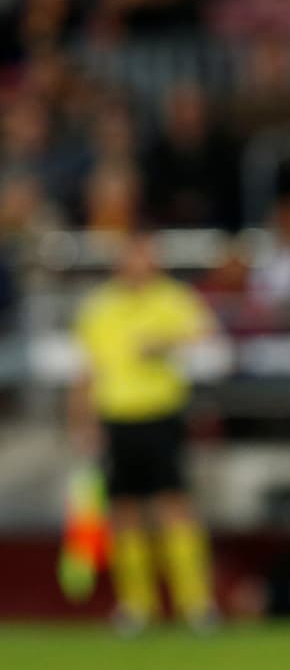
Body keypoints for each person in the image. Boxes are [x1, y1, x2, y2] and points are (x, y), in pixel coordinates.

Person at [69, 228, 219, 632]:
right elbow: (85, 369)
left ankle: (195, 604)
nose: (139, 264)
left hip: (161, 414)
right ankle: (137, 606)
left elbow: (209, 338)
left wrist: (166, 342)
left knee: (175, 504)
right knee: (124, 511)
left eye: (145, 256)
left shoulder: (172, 298)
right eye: (132, 256)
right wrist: (82, 421)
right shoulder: (99, 307)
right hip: (117, 418)